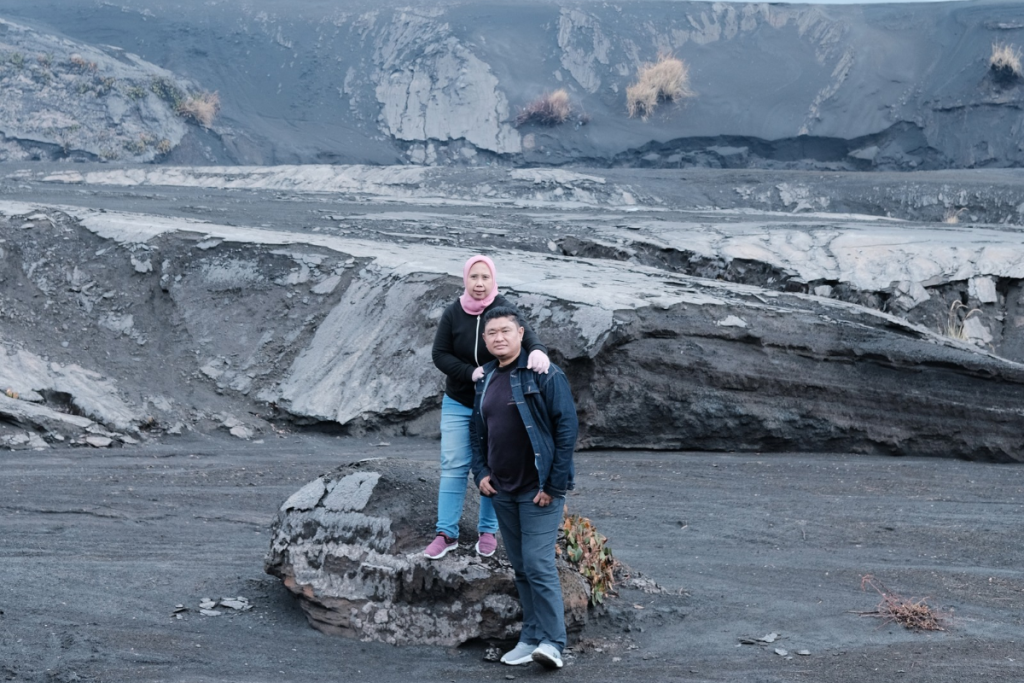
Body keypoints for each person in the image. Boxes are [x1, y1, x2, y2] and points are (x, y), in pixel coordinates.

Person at [470, 305, 578, 671]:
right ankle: (530, 637)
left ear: (520, 333)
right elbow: (477, 430)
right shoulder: (484, 378)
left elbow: (566, 431)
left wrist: (553, 484)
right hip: (502, 490)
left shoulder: (544, 375)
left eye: (505, 331)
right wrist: (480, 471)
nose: (499, 337)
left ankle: (553, 642)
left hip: (539, 490)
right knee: (520, 567)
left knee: (537, 562)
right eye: (492, 333)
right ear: (485, 340)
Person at [425, 255, 551, 560]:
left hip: (495, 402)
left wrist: (538, 351)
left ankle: (487, 531)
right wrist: (469, 373)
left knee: (495, 465)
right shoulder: (454, 313)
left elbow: (526, 333)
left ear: (493, 280)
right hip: (459, 401)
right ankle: (446, 533)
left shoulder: (502, 307)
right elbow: (440, 354)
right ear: (465, 279)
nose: (479, 284)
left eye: (485, 277)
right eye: (474, 277)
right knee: (454, 466)